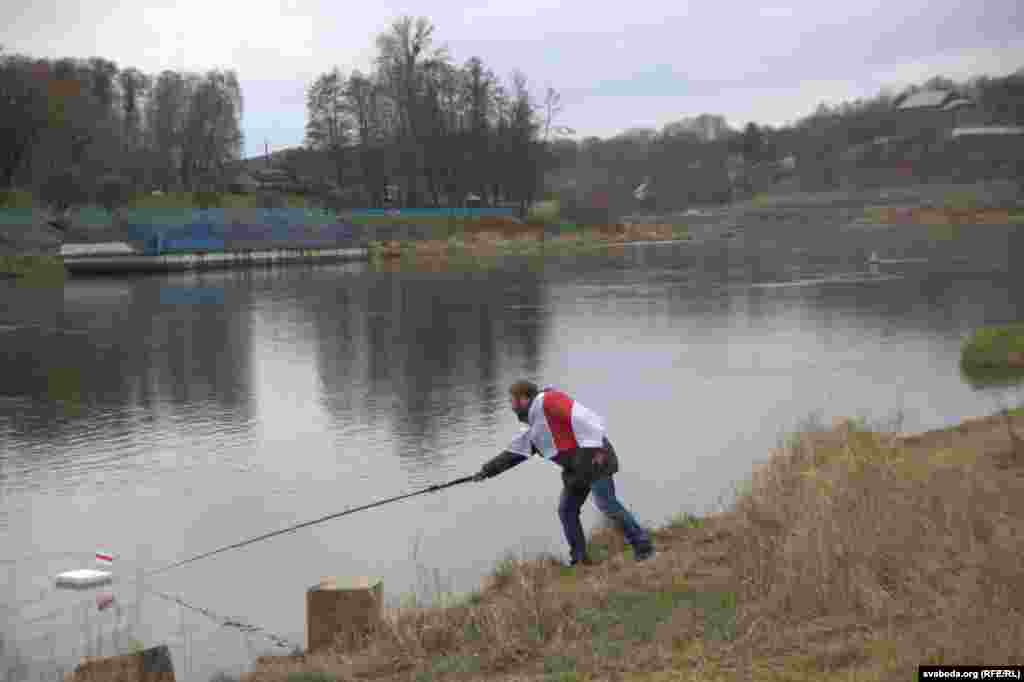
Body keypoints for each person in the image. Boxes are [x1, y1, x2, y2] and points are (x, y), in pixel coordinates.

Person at [474, 380, 655, 566]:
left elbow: (586, 418)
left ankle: (644, 547)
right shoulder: (533, 425)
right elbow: (514, 454)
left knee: (607, 504)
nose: (510, 405)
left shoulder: (549, 400)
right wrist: (486, 471)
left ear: (524, 399)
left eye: (512, 400)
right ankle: (580, 560)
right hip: (577, 470)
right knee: (567, 510)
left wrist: (597, 450)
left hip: (596, 458)